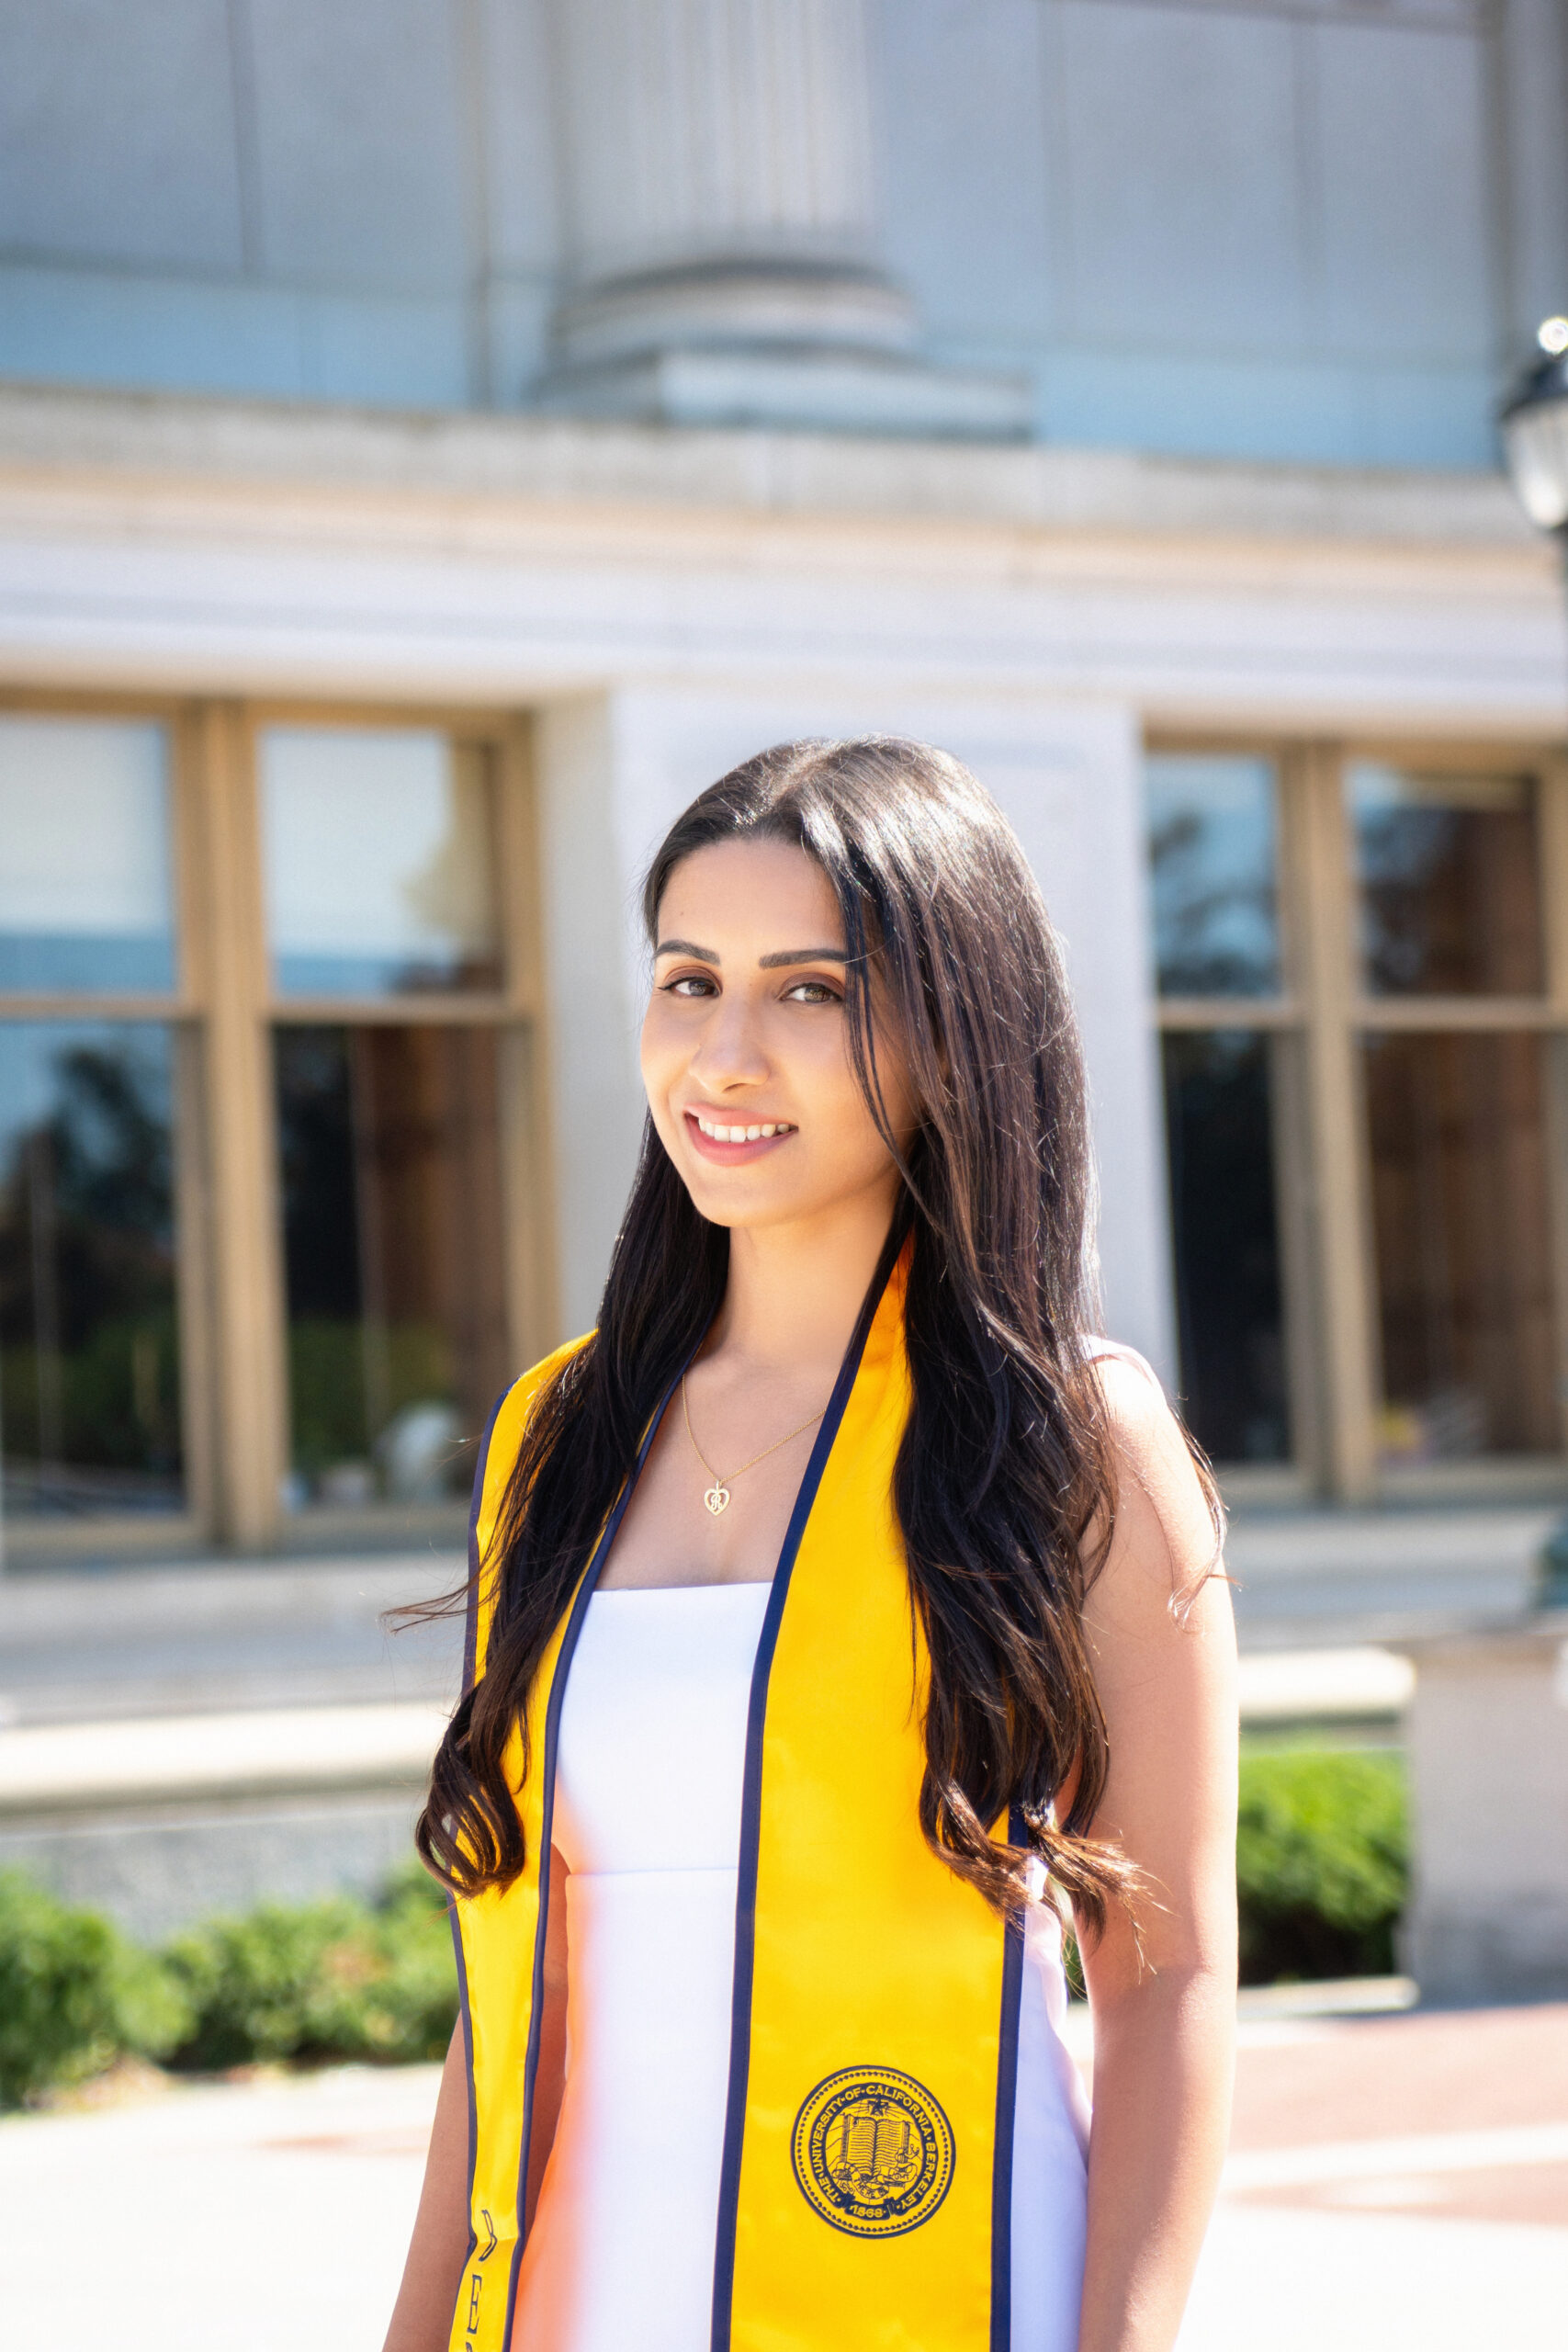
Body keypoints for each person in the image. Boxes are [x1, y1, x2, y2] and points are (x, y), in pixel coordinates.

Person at [383, 738, 1236, 2352]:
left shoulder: (1067, 1441)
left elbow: (1170, 1980)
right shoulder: (556, 1436)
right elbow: (510, 1991)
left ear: (958, 1035)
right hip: (575, 2301)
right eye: (689, 979)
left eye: (813, 993)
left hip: (943, 2283)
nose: (724, 1054)